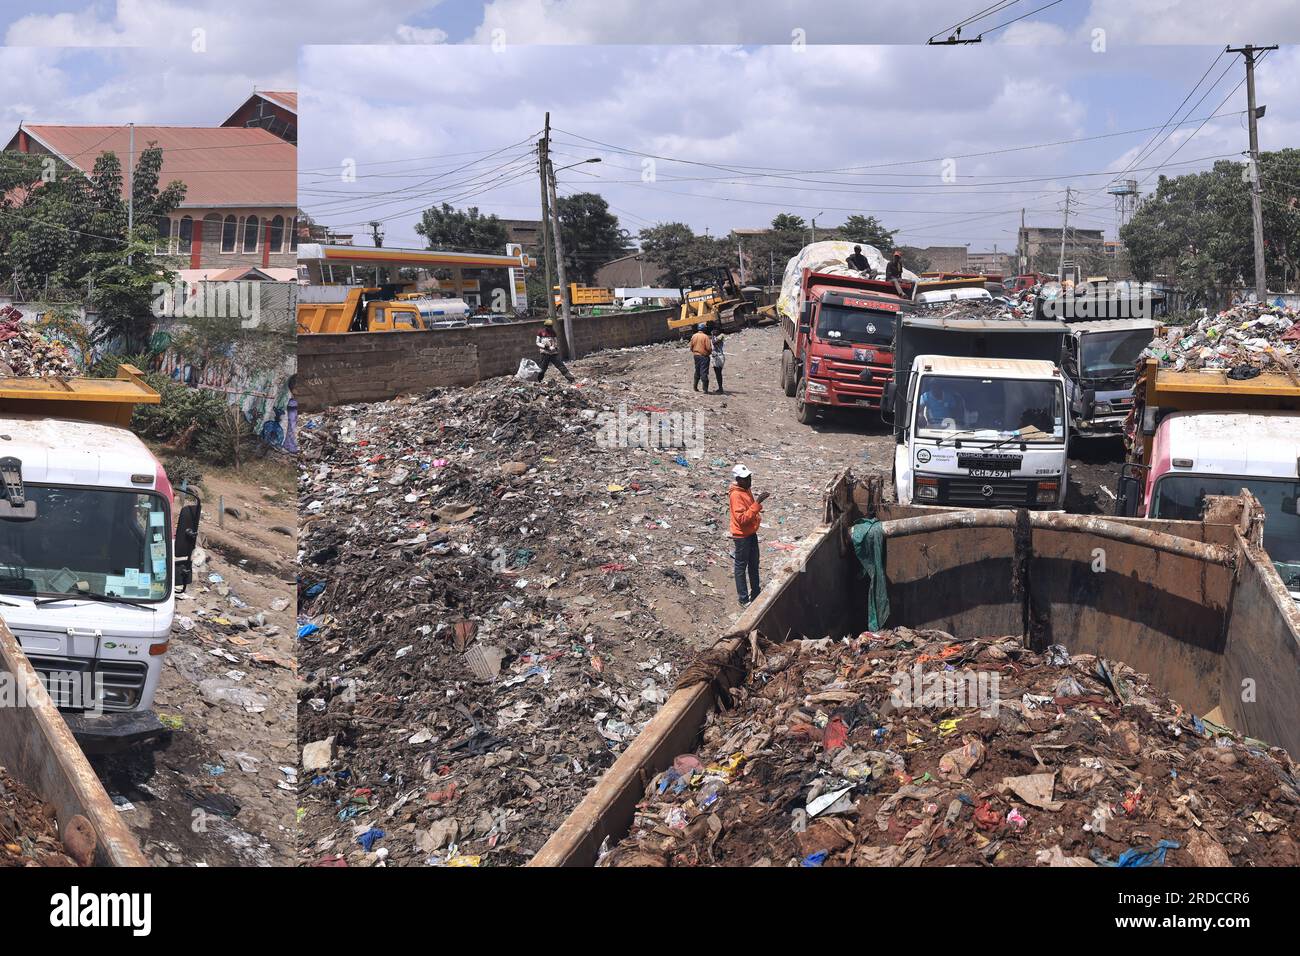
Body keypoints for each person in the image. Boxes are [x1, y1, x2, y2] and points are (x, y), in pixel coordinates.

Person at [729, 464, 767, 606]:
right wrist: (757, 503)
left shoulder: (745, 489)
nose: (749, 480)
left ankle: (756, 592)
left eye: (749, 477)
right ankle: (743, 599)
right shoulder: (736, 495)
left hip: (750, 533)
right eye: (745, 479)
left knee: (754, 563)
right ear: (738, 479)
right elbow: (742, 519)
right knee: (741, 566)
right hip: (742, 536)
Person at [535, 318, 575, 383]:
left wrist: (554, 347)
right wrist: (544, 347)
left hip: (553, 353)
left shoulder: (553, 332)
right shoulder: (541, 332)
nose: (550, 328)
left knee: (561, 366)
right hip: (544, 354)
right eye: (548, 326)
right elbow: (537, 342)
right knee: (542, 369)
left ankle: (571, 379)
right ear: (545, 326)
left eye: (550, 326)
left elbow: (555, 342)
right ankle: (538, 381)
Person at [689, 323, 713, 393]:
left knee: (697, 370)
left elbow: (691, 347)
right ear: (704, 329)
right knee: (704, 372)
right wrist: (710, 352)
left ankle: (695, 387)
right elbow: (708, 348)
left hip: (696, 356)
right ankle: (705, 389)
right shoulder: (705, 337)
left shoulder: (694, 336)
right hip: (704, 357)